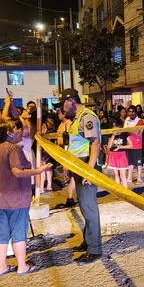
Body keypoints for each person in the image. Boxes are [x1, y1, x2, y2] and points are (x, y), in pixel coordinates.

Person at [0, 121, 51, 276]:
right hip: (16, 197)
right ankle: (22, 266)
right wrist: (38, 170)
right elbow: (17, 172)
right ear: (9, 133)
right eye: (17, 129)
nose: (20, 132)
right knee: (19, 232)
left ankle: (1, 267)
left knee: (2, 232)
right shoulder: (13, 149)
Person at [60, 88, 103, 265]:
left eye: (63, 104)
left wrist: (89, 170)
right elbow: (76, 146)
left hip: (87, 165)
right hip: (79, 166)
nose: (62, 110)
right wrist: (70, 167)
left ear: (71, 100)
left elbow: (95, 143)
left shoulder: (87, 116)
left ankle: (95, 249)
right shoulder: (77, 118)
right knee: (85, 207)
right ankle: (88, 241)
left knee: (89, 208)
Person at [56, 109, 76, 207]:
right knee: (71, 177)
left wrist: (66, 162)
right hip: (64, 153)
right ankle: (70, 197)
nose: (57, 114)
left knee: (72, 176)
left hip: (69, 154)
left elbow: (68, 143)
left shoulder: (69, 124)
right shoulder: (61, 124)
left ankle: (70, 197)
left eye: (59, 113)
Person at [107, 117, 132, 187]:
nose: (114, 128)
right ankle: (119, 192)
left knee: (122, 175)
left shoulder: (124, 134)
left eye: (116, 126)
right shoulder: (111, 134)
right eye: (113, 126)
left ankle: (126, 193)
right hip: (113, 155)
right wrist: (113, 135)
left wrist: (120, 147)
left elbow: (130, 145)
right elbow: (109, 146)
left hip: (122, 155)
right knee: (116, 174)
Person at [124, 105, 144, 184]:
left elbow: (137, 132)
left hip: (137, 144)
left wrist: (128, 130)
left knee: (138, 162)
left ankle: (139, 178)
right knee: (130, 162)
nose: (131, 113)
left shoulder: (140, 121)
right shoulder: (127, 120)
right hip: (129, 144)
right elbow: (124, 130)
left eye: (133, 111)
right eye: (130, 111)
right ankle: (129, 177)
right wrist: (131, 130)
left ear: (136, 112)